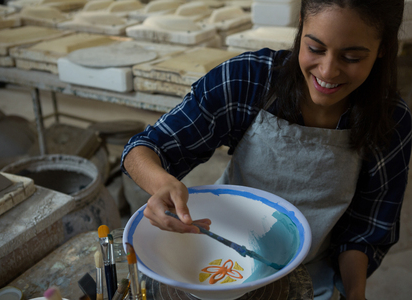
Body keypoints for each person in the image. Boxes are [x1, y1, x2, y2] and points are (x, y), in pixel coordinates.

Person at [121, 0, 411, 299]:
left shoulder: (391, 119)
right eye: (315, 48)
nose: (327, 70)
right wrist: (162, 183)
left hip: (313, 270)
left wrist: (355, 293)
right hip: (223, 252)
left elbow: (364, 231)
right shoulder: (248, 79)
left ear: (384, 48)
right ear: (301, 25)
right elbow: (143, 148)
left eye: (351, 57)